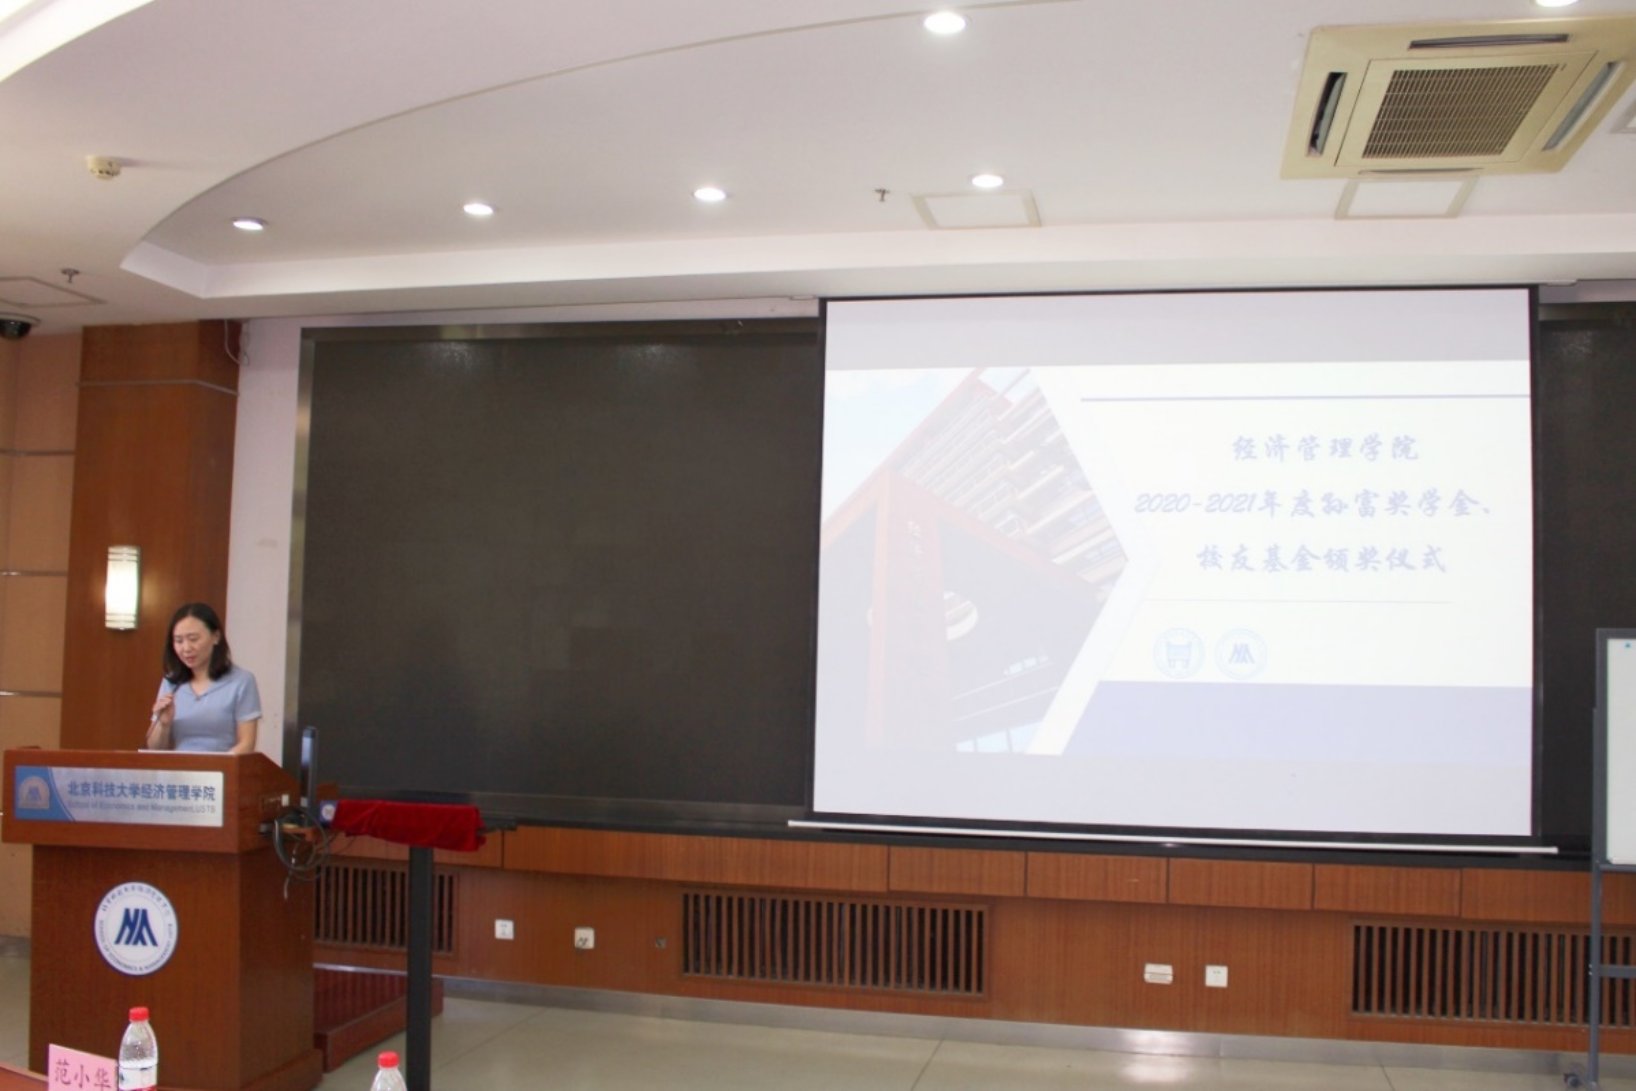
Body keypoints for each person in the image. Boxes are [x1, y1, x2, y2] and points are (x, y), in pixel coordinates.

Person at [146, 602, 261, 754]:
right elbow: (154, 749)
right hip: (179, 768)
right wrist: (163, 724)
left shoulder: (242, 681)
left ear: (216, 637)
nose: (186, 648)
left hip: (223, 767)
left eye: (193, 639)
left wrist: (214, 766)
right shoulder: (171, 682)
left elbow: (247, 744)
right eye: (179, 641)